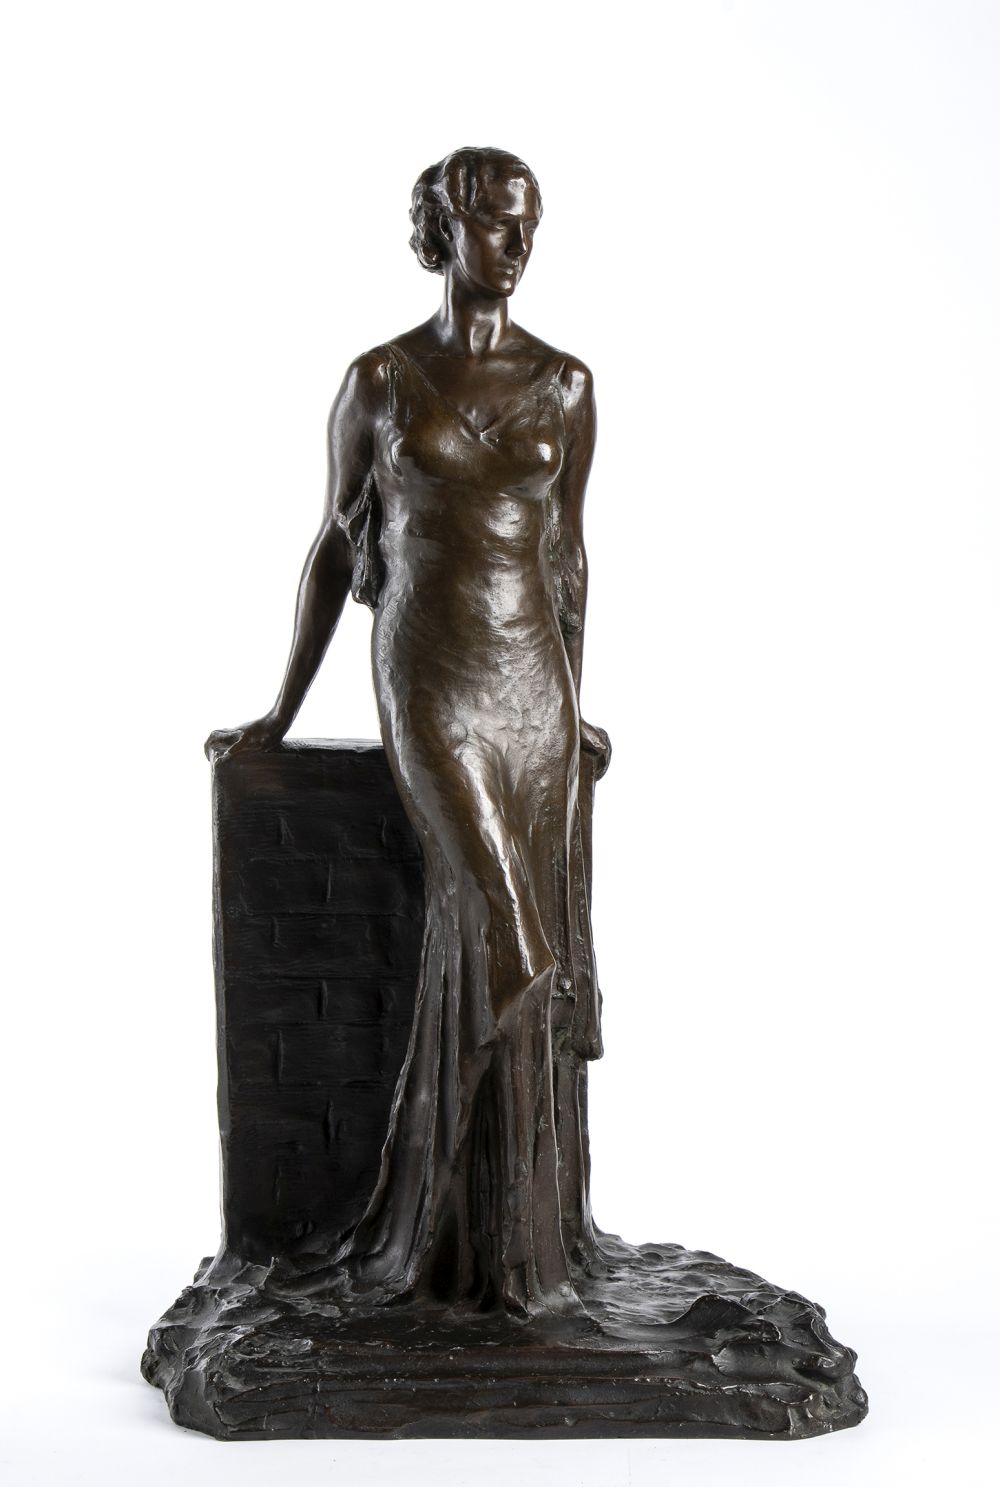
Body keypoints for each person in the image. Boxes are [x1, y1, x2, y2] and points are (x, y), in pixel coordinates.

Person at [210, 147, 611, 1318]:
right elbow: (338, 546)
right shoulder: (382, 381)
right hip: (429, 674)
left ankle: (498, 1251)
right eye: (494, 223)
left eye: (529, 224)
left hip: (531, 685)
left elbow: (566, 558)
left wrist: (575, 703)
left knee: (500, 937)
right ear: (445, 226)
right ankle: (437, 1228)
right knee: (513, 935)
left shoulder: (568, 384)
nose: (516, 245)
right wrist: (281, 710)